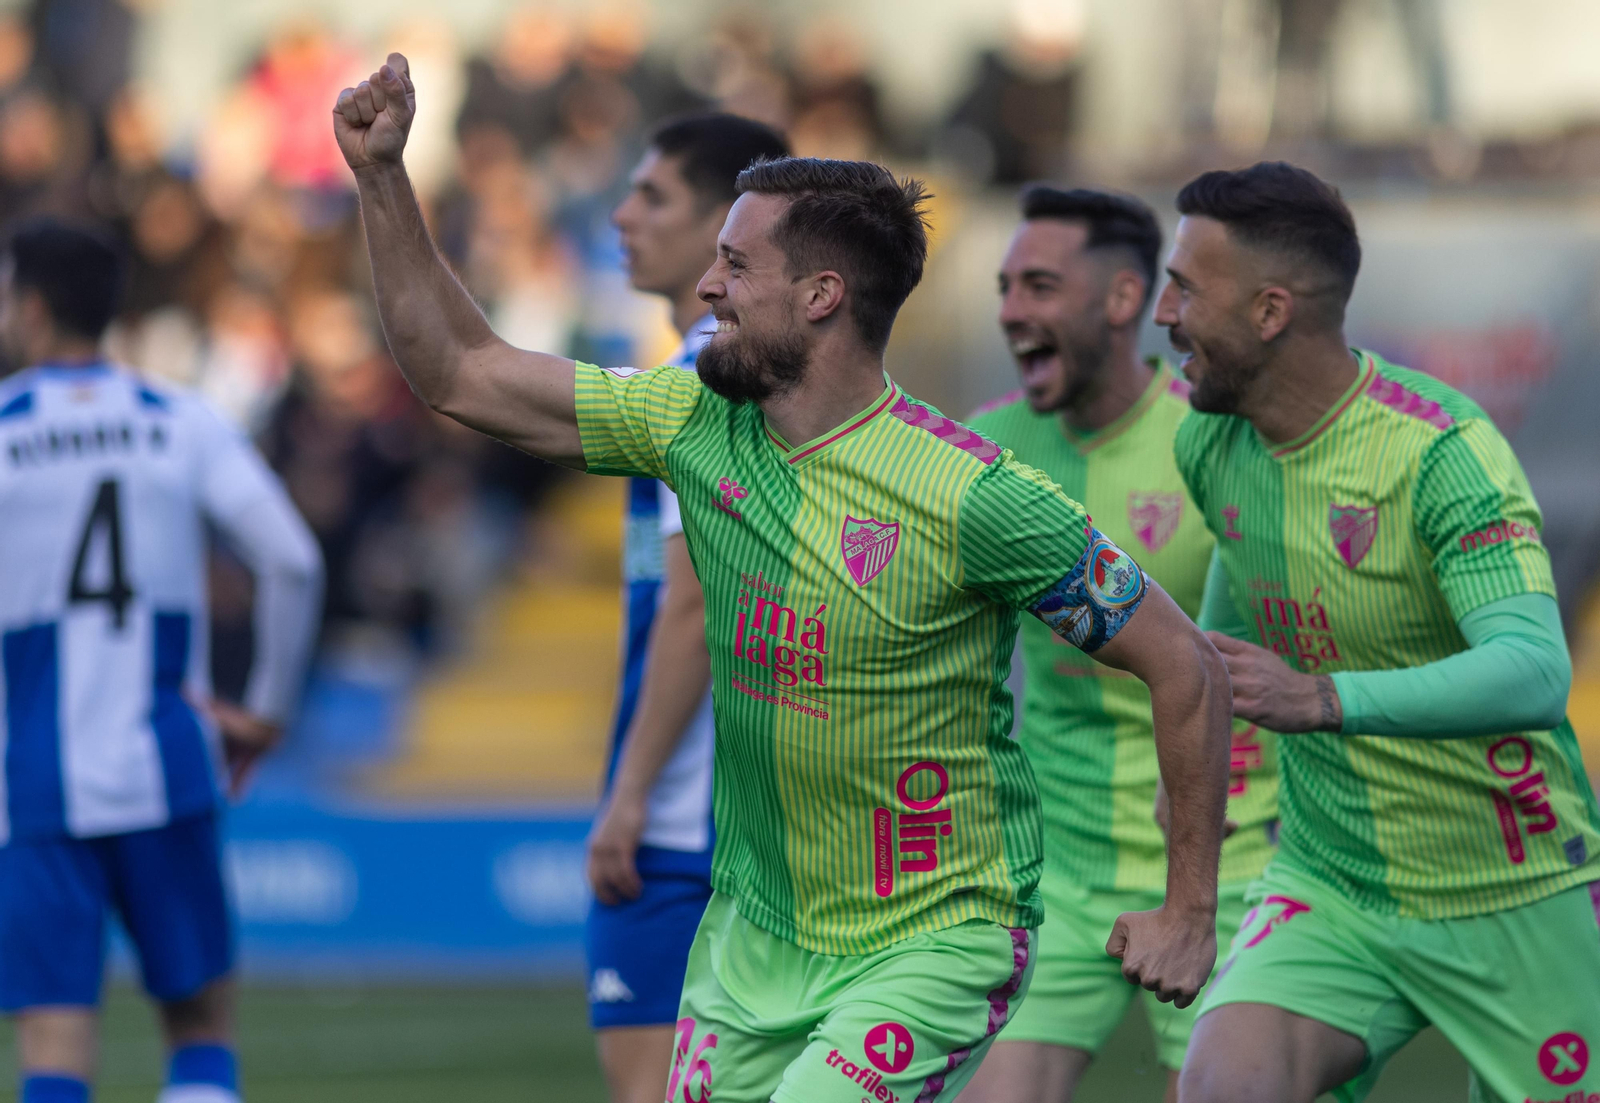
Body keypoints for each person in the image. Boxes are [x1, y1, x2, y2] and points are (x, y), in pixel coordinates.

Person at [334, 56, 1232, 1103]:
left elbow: (1185, 666)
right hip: (752, 942)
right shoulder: (691, 422)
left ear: (819, 296)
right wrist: (383, 178)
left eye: (733, 265)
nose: (706, 288)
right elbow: (459, 370)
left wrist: (1190, 908)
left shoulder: (974, 495)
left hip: (928, 943)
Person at [1156, 162, 1600, 1103]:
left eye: (1186, 287)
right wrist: (1194, 773)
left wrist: (1320, 697)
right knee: (1221, 1085)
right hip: (1332, 882)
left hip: (1512, 884)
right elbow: (1227, 641)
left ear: (1270, 312)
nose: (1163, 314)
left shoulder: (1443, 451)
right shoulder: (1212, 441)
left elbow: (1531, 671)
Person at [959, 186, 1278, 1103]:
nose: (1013, 308)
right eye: (1006, 286)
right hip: (1060, 869)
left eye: (1041, 284)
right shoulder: (985, 451)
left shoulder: (1213, 442)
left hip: (1227, 857)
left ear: (1124, 298)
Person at [0, 220, 323, 1103]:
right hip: (167, 769)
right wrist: (265, 707)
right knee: (199, 1028)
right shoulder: (178, 420)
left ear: (30, 306)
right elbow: (292, 560)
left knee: (55, 1044)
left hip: (34, 785)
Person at [585, 112, 789, 1103]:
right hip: (768, 810)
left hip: (685, 823)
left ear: (725, 223)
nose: (622, 214)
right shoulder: (772, 376)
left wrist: (627, 799)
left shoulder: (702, 380)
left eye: (652, 194)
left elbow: (690, 606)